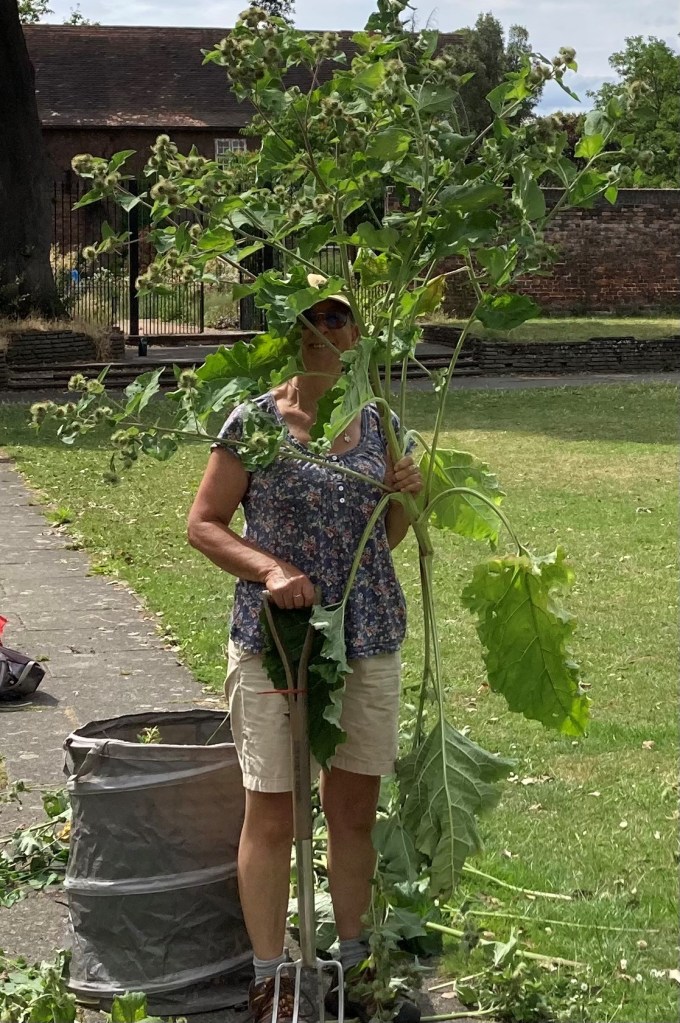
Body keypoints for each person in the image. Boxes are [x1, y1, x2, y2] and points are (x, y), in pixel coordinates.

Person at [187, 275, 423, 1023]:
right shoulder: (256, 423)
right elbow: (204, 523)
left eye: (342, 318)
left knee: (353, 810)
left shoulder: (381, 423)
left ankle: (353, 966)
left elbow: (385, 541)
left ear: (358, 334)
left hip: (366, 634)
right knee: (274, 813)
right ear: (292, 332)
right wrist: (271, 569)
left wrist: (407, 494)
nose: (329, 330)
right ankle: (270, 979)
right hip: (278, 642)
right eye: (315, 317)